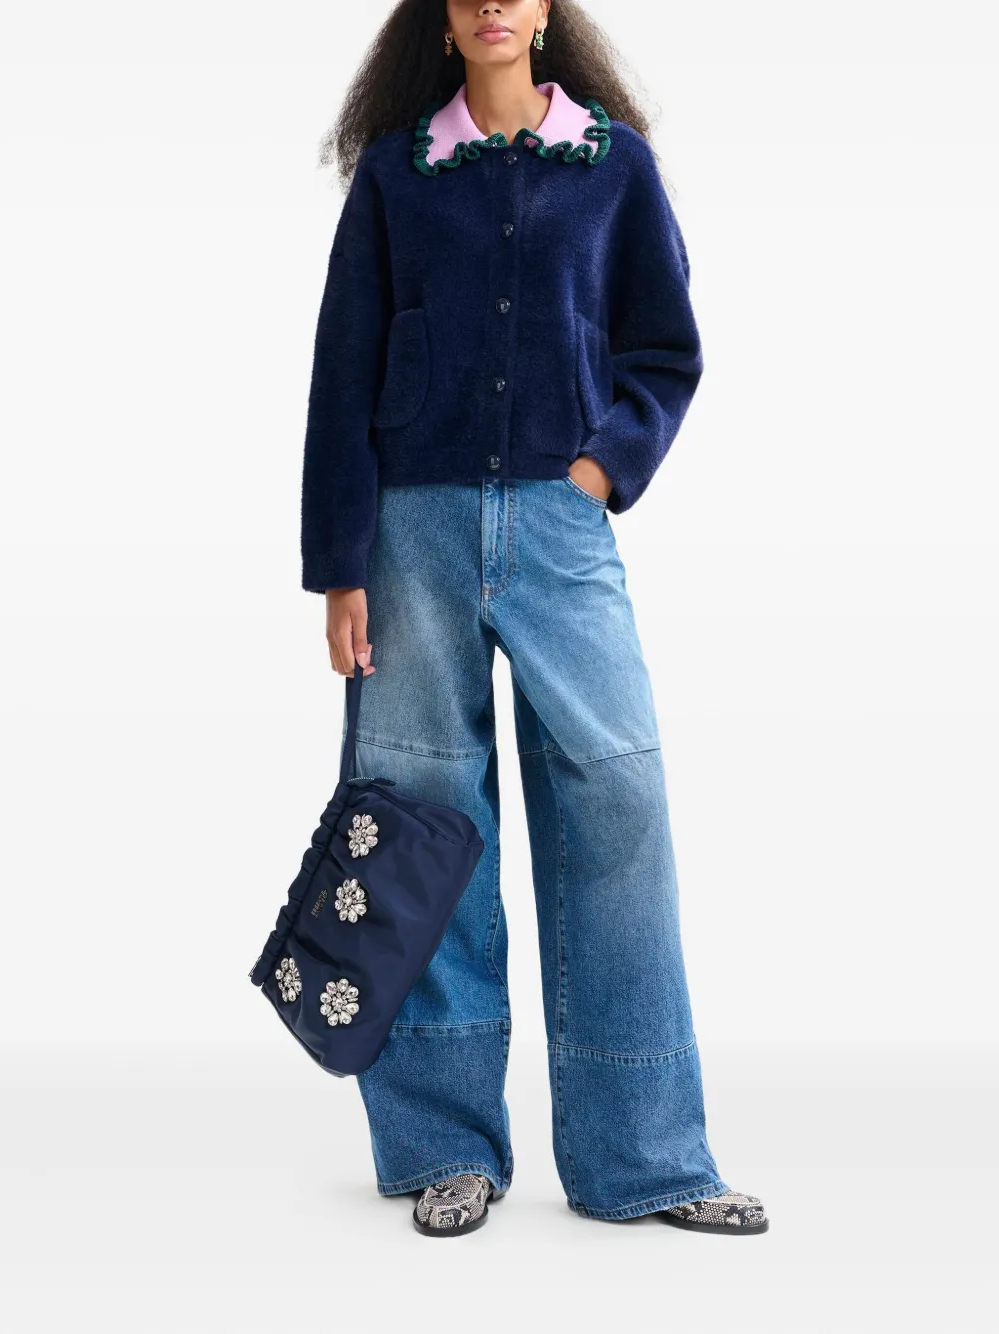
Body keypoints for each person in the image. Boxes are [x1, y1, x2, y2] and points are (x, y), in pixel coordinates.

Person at [300, 0, 767, 1238]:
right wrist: (339, 564)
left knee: (618, 801)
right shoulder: (398, 175)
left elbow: (664, 349)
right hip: (409, 535)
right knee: (420, 823)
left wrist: (600, 470)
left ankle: (643, 1154)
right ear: (445, 18)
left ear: (547, 8)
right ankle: (442, 1146)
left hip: (564, 533)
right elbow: (342, 369)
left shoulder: (612, 167)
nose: (493, 2)